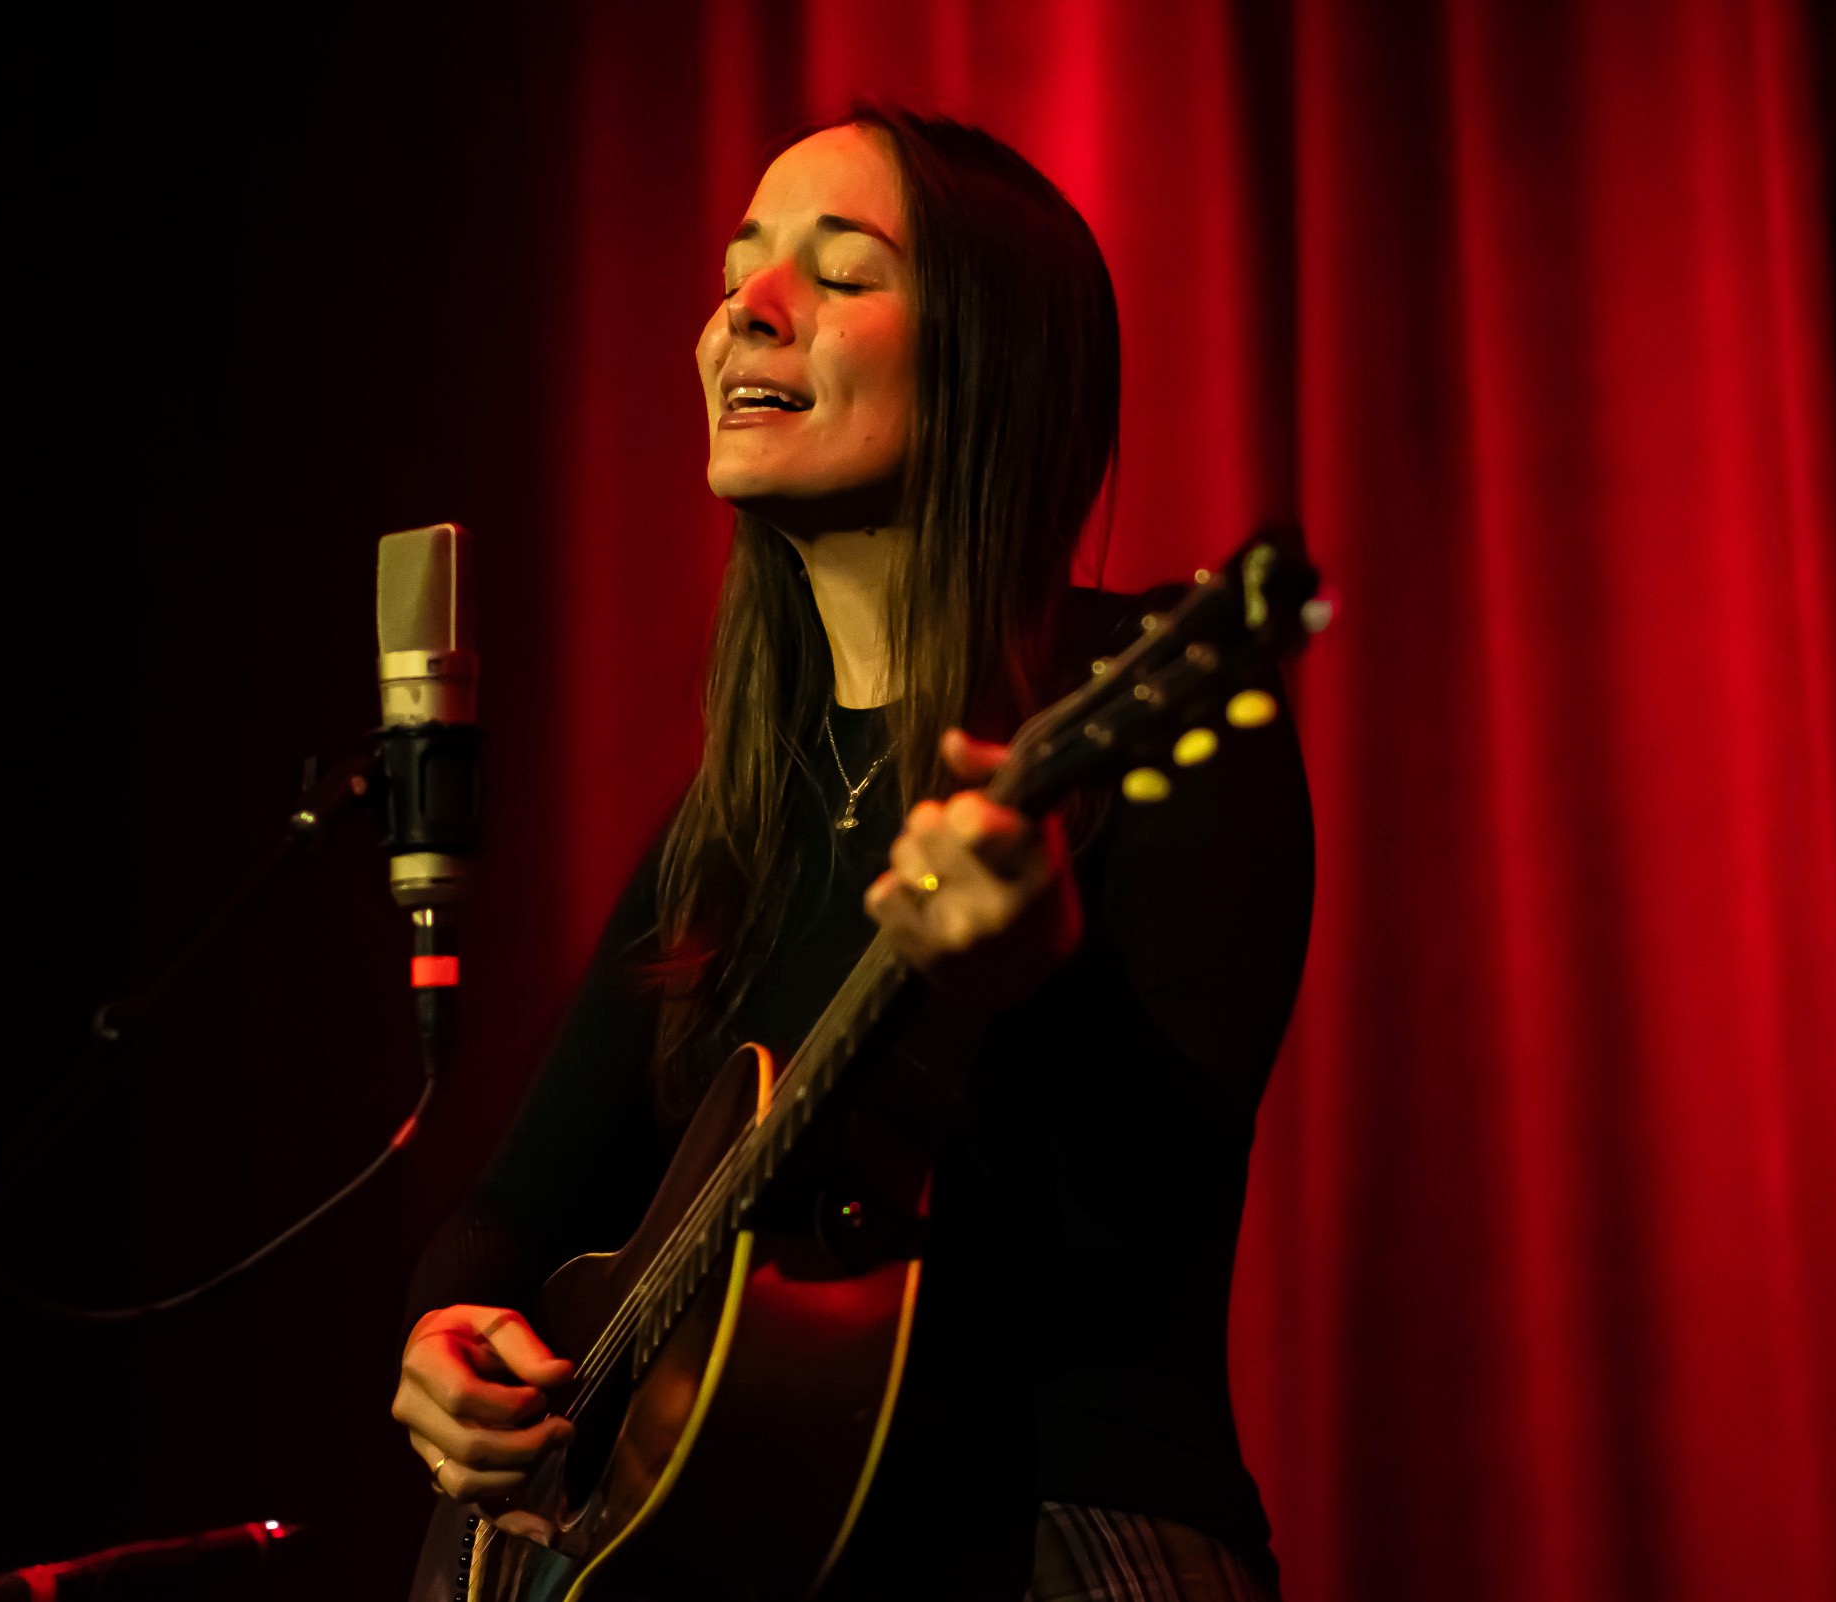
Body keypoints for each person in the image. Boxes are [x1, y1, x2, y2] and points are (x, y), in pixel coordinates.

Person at [392, 106, 1313, 1601]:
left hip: (1063, 1535)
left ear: (989, 362)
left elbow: (1150, 1224)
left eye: (840, 272)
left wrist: (1041, 977)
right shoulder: (742, 813)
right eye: (738, 269)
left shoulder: (1133, 706)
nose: (745, 310)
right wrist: (450, 1340)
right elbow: (513, 1208)